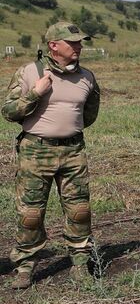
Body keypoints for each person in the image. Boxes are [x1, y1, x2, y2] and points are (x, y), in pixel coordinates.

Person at [4, 22, 100, 288]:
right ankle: (25, 266)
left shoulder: (87, 77)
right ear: (54, 45)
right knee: (31, 213)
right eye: (73, 42)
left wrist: (66, 131)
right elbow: (9, 112)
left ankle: (80, 264)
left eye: (81, 42)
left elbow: (89, 115)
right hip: (36, 151)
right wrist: (35, 93)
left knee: (80, 210)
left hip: (73, 150)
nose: (79, 46)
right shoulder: (29, 72)